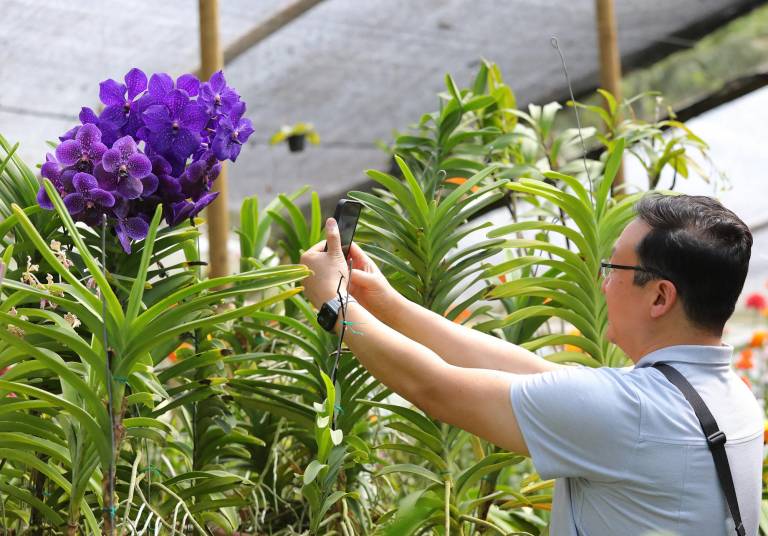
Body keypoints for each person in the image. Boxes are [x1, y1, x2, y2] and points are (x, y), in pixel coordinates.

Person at [300, 193, 763, 536]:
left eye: (613, 270)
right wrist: (384, 300)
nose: (603, 286)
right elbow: (532, 372)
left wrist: (335, 307)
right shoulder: (728, 396)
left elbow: (435, 388)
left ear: (660, 296)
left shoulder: (633, 412)